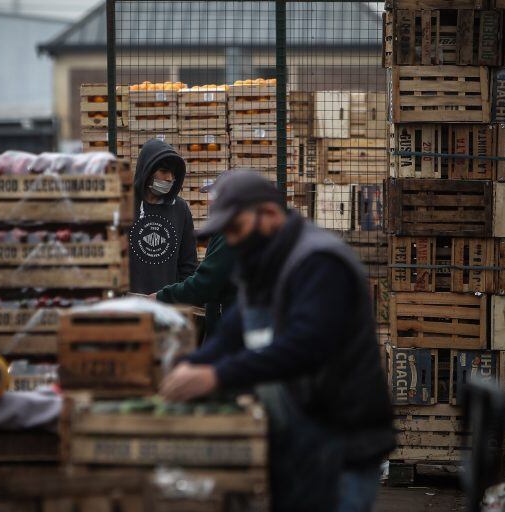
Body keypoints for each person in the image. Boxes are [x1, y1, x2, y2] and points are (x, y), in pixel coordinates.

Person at [160, 171, 395, 512]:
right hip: (299, 443)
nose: (233, 241)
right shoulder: (263, 266)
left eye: (236, 229)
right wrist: (188, 367)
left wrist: (216, 376)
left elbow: (306, 347)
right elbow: (232, 333)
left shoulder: (319, 262)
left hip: (342, 447)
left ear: (269, 215)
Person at [151, 171, 237, 338]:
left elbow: (205, 282)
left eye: (215, 195)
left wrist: (161, 297)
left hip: (232, 330)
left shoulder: (231, 233)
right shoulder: (226, 229)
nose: (210, 201)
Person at [129, 139, 197, 294]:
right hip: (128, 305)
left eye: (173, 174)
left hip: (166, 306)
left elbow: (188, 263)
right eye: (164, 171)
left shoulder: (180, 209)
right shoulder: (124, 206)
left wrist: (178, 297)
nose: (169, 178)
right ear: (147, 170)